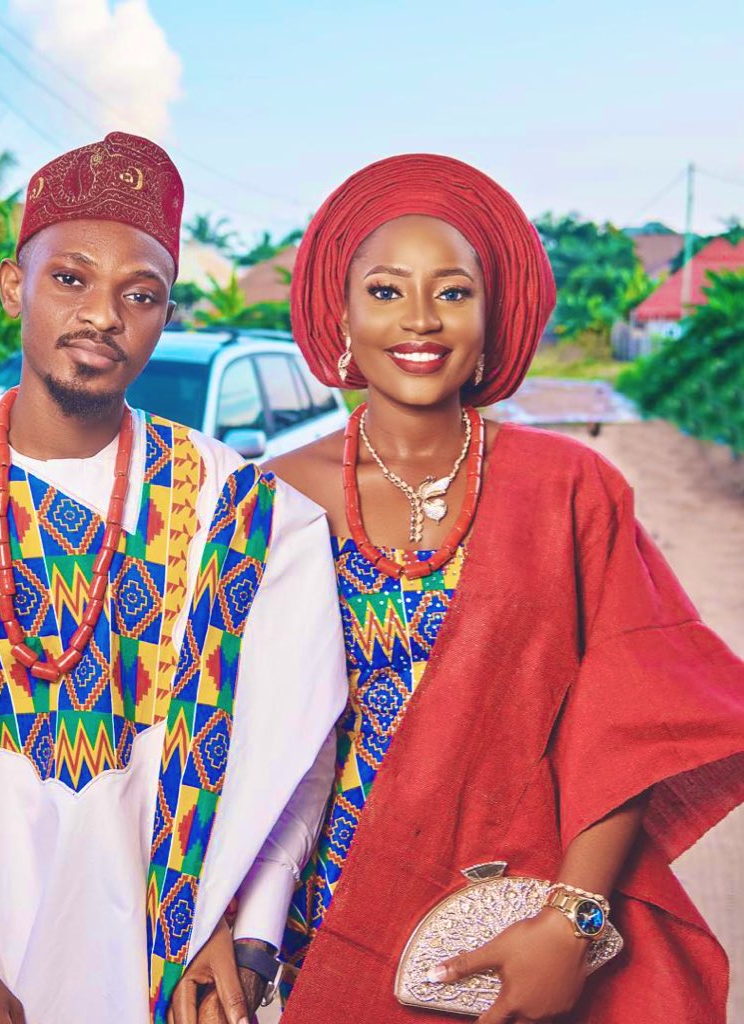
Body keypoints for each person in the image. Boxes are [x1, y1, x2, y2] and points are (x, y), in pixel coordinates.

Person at [0, 132, 346, 1024]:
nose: (103, 314)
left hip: (148, 973)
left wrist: (251, 936)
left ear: (166, 315)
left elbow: (297, 747)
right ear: (17, 285)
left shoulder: (241, 514)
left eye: (141, 294)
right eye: (71, 279)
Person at [266, 153, 744, 1023]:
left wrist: (570, 925)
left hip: (521, 911)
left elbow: (629, 721)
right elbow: (223, 736)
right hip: (329, 916)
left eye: (453, 292)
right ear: (337, 313)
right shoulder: (266, 497)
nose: (420, 319)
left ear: (493, 321)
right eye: (385, 291)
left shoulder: (571, 490)